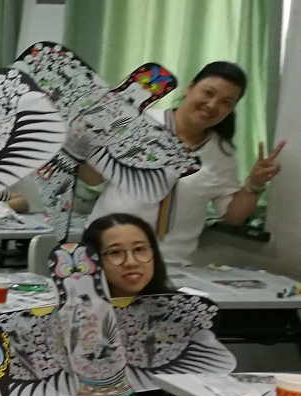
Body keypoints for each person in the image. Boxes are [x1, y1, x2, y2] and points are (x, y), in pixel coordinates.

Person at [87, 61, 284, 263]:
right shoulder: (138, 122)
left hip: (171, 262)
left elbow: (232, 216)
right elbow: (92, 179)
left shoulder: (221, 155)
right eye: (208, 92)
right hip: (108, 251)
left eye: (226, 102)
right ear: (190, 87)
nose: (212, 105)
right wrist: (86, 142)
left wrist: (255, 183)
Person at [80, 213, 175, 298]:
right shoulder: (77, 308)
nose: (131, 262)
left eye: (139, 249)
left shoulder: (177, 306)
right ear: (92, 260)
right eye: (115, 252)